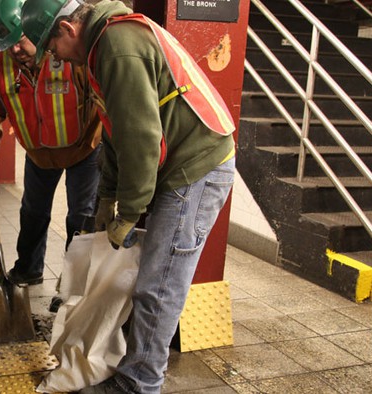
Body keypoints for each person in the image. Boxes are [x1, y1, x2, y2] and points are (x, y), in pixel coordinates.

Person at [21, 0, 236, 393]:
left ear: (68, 29)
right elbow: (116, 131)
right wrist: (107, 198)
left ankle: (140, 383)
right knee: (151, 279)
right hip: (180, 163)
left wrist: (130, 211)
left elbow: (141, 139)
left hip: (196, 167)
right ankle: (136, 369)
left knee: (159, 283)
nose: (56, 58)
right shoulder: (106, 45)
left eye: (52, 49)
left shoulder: (116, 46)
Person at [0, 0, 102, 287]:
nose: (16, 50)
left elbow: (103, 96)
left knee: (81, 217)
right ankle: (29, 269)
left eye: (20, 40)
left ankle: (74, 283)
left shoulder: (68, 54)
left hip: (84, 151)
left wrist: (109, 144)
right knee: (33, 213)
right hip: (39, 156)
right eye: (7, 44)